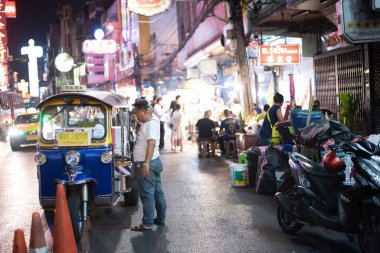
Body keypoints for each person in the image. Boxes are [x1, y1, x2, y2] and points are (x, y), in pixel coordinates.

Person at [131, 99, 167, 231]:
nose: (137, 116)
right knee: (157, 193)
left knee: (147, 195)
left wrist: (146, 164)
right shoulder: (153, 120)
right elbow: (149, 111)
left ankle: (147, 223)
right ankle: (160, 219)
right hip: (154, 162)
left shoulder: (150, 125)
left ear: (144, 111)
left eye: (137, 113)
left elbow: (151, 144)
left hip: (148, 164)